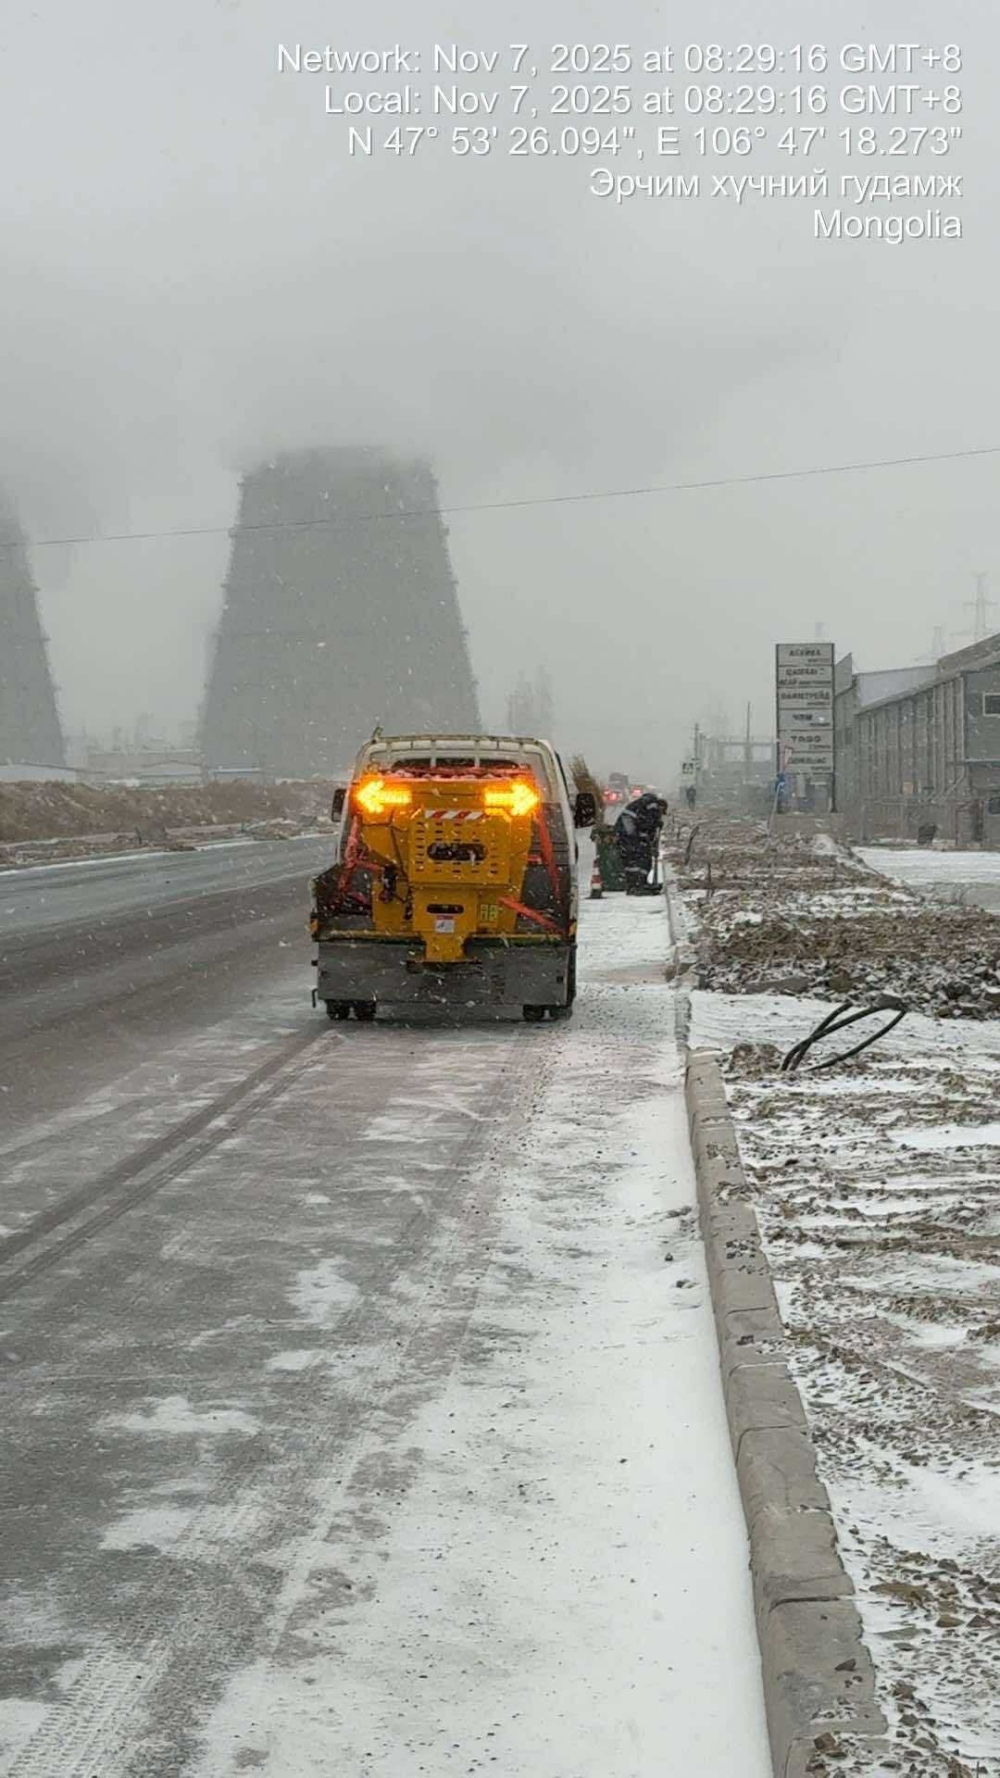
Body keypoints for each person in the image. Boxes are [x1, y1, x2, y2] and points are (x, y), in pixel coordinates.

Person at [613, 792, 668, 895]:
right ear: (661, 807)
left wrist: (651, 841)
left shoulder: (644, 806)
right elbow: (648, 824)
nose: (661, 815)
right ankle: (639, 884)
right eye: (661, 812)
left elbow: (645, 827)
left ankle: (633, 885)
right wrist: (656, 824)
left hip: (623, 831)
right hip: (628, 831)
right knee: (642, 856)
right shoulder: (653, 806)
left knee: (632, 858)